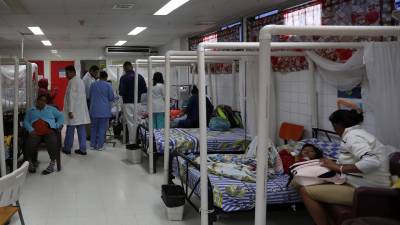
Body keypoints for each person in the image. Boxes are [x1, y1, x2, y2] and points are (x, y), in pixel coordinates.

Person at [299, 109, 391, 225]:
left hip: (368, 190)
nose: (334, 130)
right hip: (363, 183)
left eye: (333, 126)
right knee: (310, 180)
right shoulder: (358, 133)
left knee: (304, 190)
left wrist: (339, 168)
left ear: (338, 125)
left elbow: (371, 161)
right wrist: (333, 164)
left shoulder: (353, 137)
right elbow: (354, 159)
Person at [23, 95, 64, 175]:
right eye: (40, 100)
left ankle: (52, 163)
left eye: (44, 101)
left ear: (46, 102)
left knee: (52, 141)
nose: (42, 102)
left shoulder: (51, 109)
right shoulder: (31, 110)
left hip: (48, 130)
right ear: (37, 101)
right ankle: (30, 161)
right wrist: (30, 129)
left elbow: (61, 116)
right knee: (29, 142)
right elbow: (26, 121)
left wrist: (57, 125)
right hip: (35, 132)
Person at [119, 61, 147, 149]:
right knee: (138, 121)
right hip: (138, 103)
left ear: (124, 68)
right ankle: (141, 140)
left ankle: (132, 142)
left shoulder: (123, 78)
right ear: (132, 67)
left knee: (131, 124)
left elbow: (121, 92)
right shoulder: (140, 77)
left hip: (128, 103)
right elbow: (144, 90)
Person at [63, 65, 91, 155]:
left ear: (73, 72)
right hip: (81, 112)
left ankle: (67, 148)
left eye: (67, 73)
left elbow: (71, 97)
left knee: (70, 130)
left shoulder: (72, 82)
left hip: (74, 111)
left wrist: (70, 111)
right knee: (81, 130)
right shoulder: (80, 81)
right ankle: (83, 149)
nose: (66, 75)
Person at [89, 71, 115, 151]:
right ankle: (100, 146)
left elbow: (89, 96)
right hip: (104, 110)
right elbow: (111, 98)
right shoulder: (108, 85)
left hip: (94, 110)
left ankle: (93, 145)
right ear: (106, 77)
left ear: (99, 76)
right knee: (102, 128)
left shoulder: (93, 84)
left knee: (93, 128)